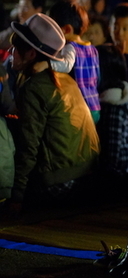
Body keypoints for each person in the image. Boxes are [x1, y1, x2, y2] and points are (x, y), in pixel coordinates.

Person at [6, 14, 100, 214]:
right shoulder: (64, 78)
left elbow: (28, 147)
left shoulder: (34, 88)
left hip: (59, 182)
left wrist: (17, 197)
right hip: (86, 175)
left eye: (15, 49)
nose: (10, 52)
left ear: (31, 54)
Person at [47, 0, 102, 123]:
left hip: (79, 107)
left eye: (52, 28)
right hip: (94, 105)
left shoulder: (70, 47)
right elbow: (97, 78)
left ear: (66, 30)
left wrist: (47, 64)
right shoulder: (92, 49)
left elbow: (66, 65)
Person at [95, 43, 128, 181]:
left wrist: (102, 176)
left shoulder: (113, 105)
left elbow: (112, 150)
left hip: (118, 175)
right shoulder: (113, 99)